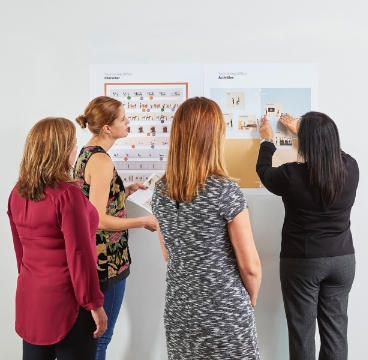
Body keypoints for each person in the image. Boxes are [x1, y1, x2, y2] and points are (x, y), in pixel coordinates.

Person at [151, 97, 262, 359]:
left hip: (180, 314)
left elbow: (168, 254)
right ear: (214, 137)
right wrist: (250, 299)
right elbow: (250, 267)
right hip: (224, 313)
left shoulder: (161, 191)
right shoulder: (224, 191)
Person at [257, 112, 359, 360]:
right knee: (336, 334)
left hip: (303, 262)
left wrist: (267, 141)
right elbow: (331, 153)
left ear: (307, 141)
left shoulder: (291, 175)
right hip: (343, 260)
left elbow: (263, 171)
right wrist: (308, 134)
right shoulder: (351, 168)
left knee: (302, 334)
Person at [7, 117, 107, 360]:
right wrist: (93, 303)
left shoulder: (17, 192)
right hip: (68, 301)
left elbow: (20, 252)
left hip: (31, 297)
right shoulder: (68, 194)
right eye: (72, 144)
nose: (75, 149)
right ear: (61, 150)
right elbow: (80, 254)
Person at [74, 96, 159, 360]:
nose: (128, 122)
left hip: (95, 258)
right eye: (123, 119)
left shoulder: (88, 153)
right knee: (101, 339)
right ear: (108, 128)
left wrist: (124, 191)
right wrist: (143, 221)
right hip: (107, 261)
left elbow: (92, 201)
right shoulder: (101, 161)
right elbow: (97, 219)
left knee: (93, 339)